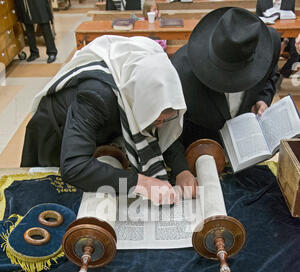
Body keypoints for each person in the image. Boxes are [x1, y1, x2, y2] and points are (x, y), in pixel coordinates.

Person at [21, 35, 197, 205]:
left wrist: (181, 169)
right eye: (155, 120)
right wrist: (141, 183)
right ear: (138, 104)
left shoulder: (154, 81)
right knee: (51, 200)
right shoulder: (96, 97)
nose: (159, 126)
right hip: (56, 136)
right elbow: (73, 166)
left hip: (101, 129)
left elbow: (164, 130)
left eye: (165, 120)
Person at [171, 7, 281, 147]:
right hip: (203, 143)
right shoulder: (181, 71)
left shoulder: (270, 44)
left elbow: (271, 73)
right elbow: (174, 130)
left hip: (246, 138)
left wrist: (263, 98)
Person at [256, 0, 299, 88]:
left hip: (286, 36)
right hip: (268, 35)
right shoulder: (262, 1)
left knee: (297, 53)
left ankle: (281, 75)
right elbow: (258, 20)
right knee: (264, 50)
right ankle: (264, 80)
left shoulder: (290, 1)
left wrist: (284, 43)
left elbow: (291, 20)